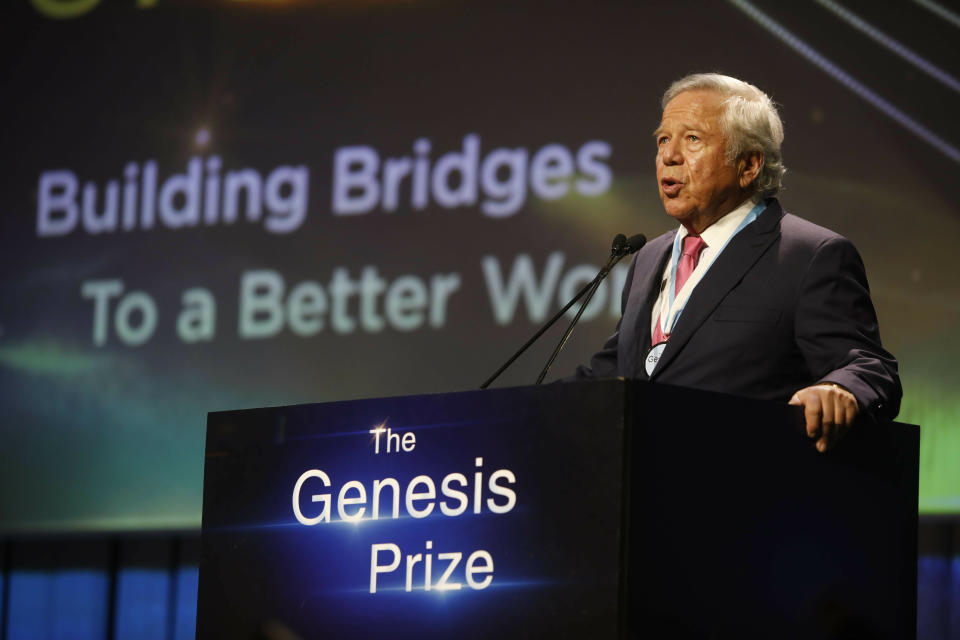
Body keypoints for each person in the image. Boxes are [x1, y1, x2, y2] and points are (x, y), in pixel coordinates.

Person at [573, 73, 901, 451]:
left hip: (746, 486)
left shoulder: (810, 255)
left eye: (692, 139)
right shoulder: (647, 258)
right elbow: (615, 372)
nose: (669, 156)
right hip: (642, 489)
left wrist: (838, 389)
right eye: (663, 139)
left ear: (748, 165)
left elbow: (870, 368)